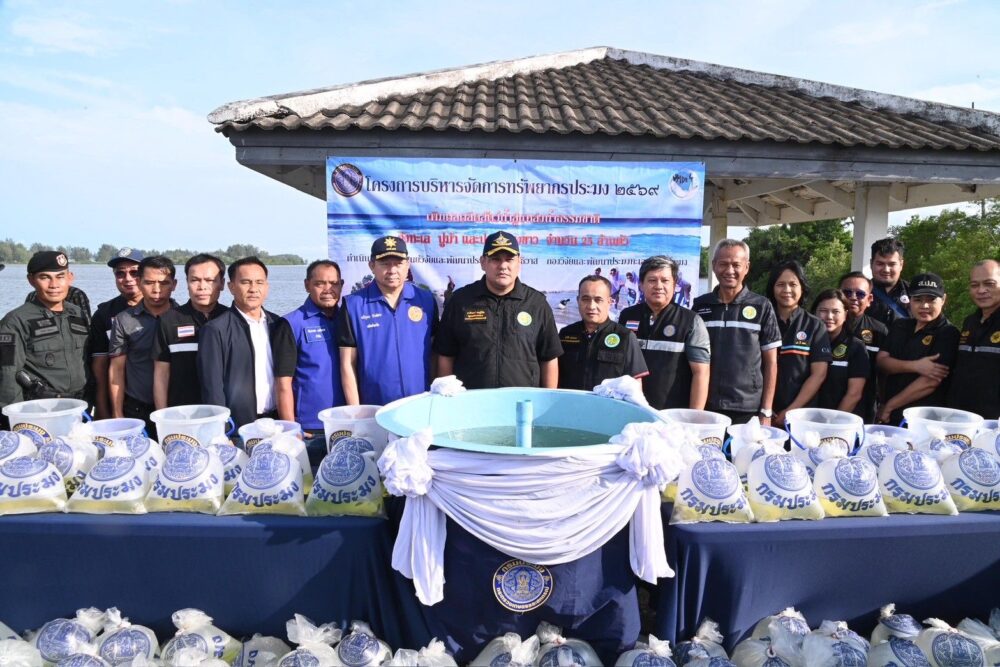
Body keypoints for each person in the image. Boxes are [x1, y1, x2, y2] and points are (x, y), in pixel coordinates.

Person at [435, 231, 562, 389]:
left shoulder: (537, 304)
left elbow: (549, 358)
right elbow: (446, 354)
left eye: (509, 259)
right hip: (471, 400)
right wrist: (446, 396)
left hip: (523, 401)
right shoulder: (460, 301)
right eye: (495, 259)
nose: (503, 266)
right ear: (483, 262)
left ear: (519, 262)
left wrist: (548, 399)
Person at [198, 257, 296, 429]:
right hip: (238, 426)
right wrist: (221, 430)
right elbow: (212, 389)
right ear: (231, 287)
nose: (253, 289)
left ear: (267, 287)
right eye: (245, 282)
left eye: (259, 282)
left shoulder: (278, 324)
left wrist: (290, 424)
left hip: (276, 422)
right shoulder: (215, 330)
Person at [338, 237, 438, 406]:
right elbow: (347, 363)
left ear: (407, 265)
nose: (392, 270)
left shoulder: (426, 300)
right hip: (374, 408)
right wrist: (356, 411)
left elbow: (435, 355)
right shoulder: (352, 305)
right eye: (384, 264)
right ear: (372, 265)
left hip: (421, 404)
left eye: (398, 263)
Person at [693, 239, 781, 425]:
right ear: (714, 266)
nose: (729, 270)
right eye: (723, 264)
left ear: (746, 267)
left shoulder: (762, 306)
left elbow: (771, 362)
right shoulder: (700, 305)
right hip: (707, 404)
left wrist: (766, 410)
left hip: (747, 407)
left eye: (736, 265)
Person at [0, 252, 89, 427]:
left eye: (60, 276)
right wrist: (17, 423)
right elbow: (7, 375)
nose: (54, 285)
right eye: (44, 277)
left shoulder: (77, 313)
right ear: (31, 280)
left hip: (79, 408)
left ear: (70, 278)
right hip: (39, 413)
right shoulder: (15, 321)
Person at [619, 255, 710, 409]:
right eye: (652, 280)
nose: (658, 286)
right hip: (632, 410)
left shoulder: (691, 321)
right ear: (641, 284)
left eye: (665, 280)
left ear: (675, 285)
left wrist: (694, 417)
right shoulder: (627, 316)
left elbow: (701, 373)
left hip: (673, 414)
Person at [876, 272, 960, 425]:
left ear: (943, 300)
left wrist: (889, 406)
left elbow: (930, 382)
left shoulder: (948, 333)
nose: (924, 306)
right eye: (918, 299)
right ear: (909, 300)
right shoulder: (900, 325)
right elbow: (882, 362)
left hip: (923, 419)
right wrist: (915, 366)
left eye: (931, 300)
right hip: (890, 415)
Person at [108, 256, 178, 435]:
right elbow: (117, 370)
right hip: (138, 408)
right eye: (149, 283)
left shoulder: (184, 318)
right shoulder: (124, 320)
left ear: (174, 285)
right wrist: (117, 414)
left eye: (164, 283)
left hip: (178, 407)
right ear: (139, 283)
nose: (156, 290)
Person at [278, 260, 346, 437]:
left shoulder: (349, 319)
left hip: (348, 420)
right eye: (319, 284)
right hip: (309, 426)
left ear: (341, 285)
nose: (328, 289)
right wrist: (291, 429)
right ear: (307, 285)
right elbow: (283, 383)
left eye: (333, 283)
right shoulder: (291, 324)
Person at [152, 254, 227, 409]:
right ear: (186, 283)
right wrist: (162, 415)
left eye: (210, 280)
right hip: (181, 412)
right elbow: (161, 374)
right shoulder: (168, 320)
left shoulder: (231, 319)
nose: (202, 287)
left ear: (222, 284)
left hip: (224, 411)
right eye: (195, 280)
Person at [766, 260, 830, 426]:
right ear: (772, 288)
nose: (787, 290)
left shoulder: (815, 325)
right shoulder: (763, 321)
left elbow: (819, 374)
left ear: (802, 288)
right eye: (780, 284)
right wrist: (765, 409)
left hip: (801, 415)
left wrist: (791, 410)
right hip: (763, 413)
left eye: (793, 284)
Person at [558, 275, 648, 391]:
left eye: (598, 300)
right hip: (570, 401)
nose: (591, 306)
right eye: (585, 299)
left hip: (607, 403)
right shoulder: (565, 334)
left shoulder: (625, 336)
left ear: (609, 302)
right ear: (578, 300)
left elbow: (635, 384)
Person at [90, 247, 144, 418]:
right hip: (120, 403)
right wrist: (103, 411)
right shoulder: (104, 314)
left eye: (134, 272)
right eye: (120, 273)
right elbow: (99, 368)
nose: (128, 279)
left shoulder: (166, 309)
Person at [948, 259, 1000, 419]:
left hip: (993, 423)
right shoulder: (970, 322)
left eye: (989, 284)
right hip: (962, 418)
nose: (981, 290)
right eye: (974, 285)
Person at [838, 271, 889, 423]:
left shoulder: (880, 330)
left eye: (860, 294)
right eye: (847, 292)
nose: (853, 297)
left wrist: (884, 403)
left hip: (865, 405)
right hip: (827, 401)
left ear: (869, 299)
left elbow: (885, 373)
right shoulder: (825, 327)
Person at [812, 289, 869, 417]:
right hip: (805, 417)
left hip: (840, 420)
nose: (829, 316)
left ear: (845, 314)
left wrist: (833, 422)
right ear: (814, 312)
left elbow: (854, 394)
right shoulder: (805, 344)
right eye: (823, 311)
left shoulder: (856, 346)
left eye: (836, 311)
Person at [868, 237, 910, 327]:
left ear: (901, 265)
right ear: (871, 263)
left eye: (892, 264)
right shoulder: (859, 294)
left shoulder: (914, 293)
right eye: (880, 264)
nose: (886, 270)